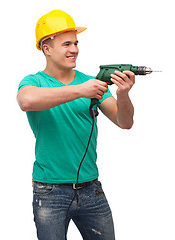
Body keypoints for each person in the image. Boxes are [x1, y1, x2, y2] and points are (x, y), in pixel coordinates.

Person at [17, 10, 135, 240]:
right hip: (49, 191)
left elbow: (125, 122)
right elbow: (26, 100)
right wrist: (80, 91)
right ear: (46, 48)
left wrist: (123, 94)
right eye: (67, 44)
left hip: (92, 189)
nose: (74, 49)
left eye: (76, 43)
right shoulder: (34, 82)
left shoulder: (93, 83)